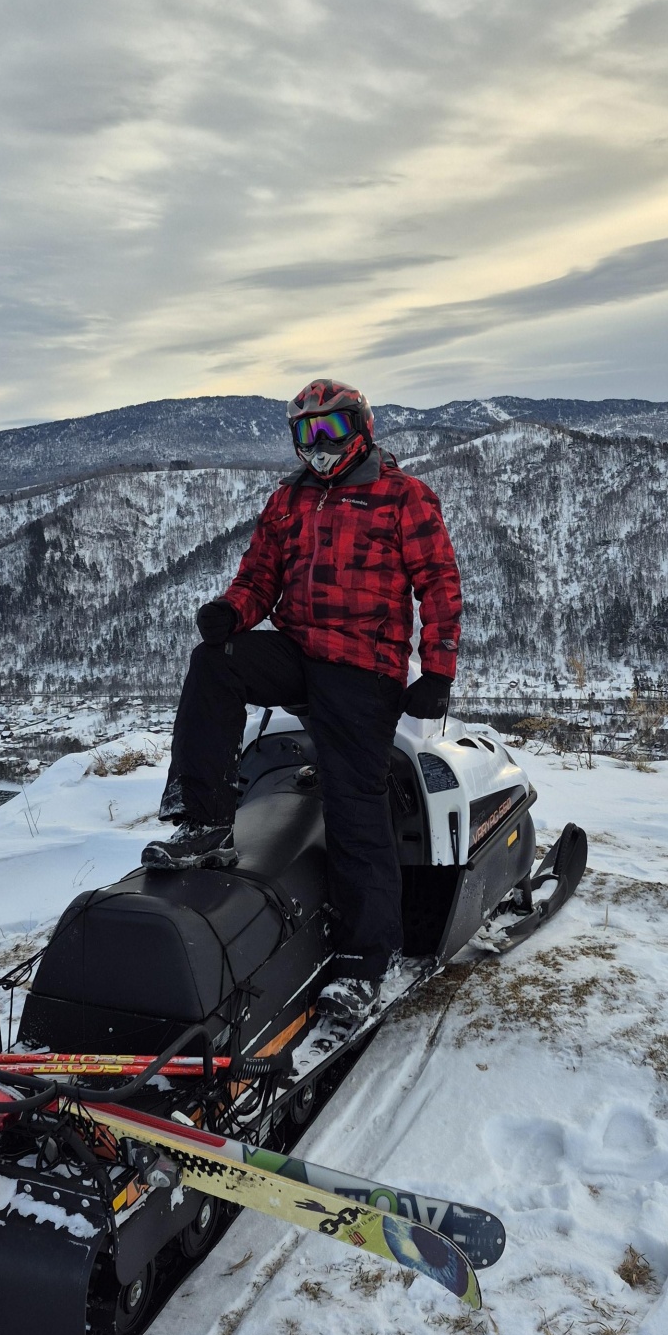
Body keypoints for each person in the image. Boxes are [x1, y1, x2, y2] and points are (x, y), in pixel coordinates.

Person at [146, 378, 462, 1038]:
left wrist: (437, 670)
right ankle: (204, 818)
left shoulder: (404, 497)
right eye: (305, 434)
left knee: (355, 804)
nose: (318, 447)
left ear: (361, 430)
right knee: (215, 666)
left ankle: (362, 962)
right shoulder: (289, 500)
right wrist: (233, 612)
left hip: (363, 669)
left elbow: (438, 583)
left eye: (331, 431)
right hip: (297, 649)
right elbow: (261, 573)